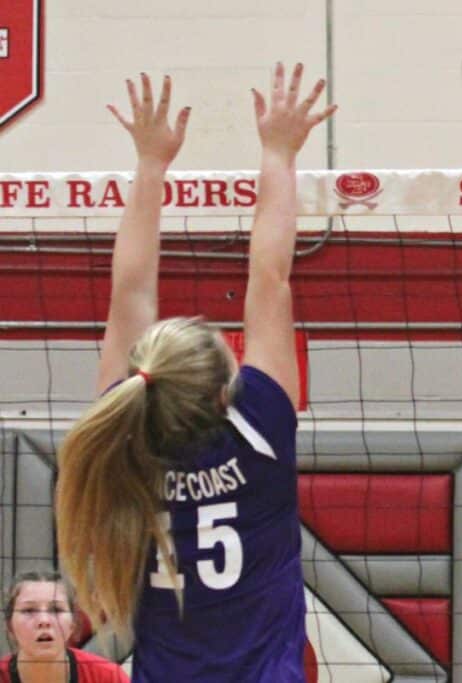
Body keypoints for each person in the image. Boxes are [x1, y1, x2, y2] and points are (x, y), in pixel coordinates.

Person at [53, 64, 335, 682]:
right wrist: (279, 153)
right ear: (222, 385)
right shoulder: (258, 427)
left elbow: (128, 293)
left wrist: (149, 164)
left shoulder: (125, 439)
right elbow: (271, 276)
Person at [1, 571, 128, 682]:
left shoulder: (109, 677)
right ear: (10, 625)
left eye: (56, 610)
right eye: (29, 610)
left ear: (72, 624)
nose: (44, 621)